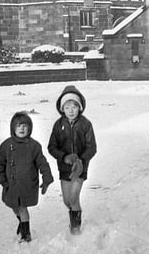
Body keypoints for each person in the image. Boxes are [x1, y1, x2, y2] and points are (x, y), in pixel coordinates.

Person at [0, 112, 54, 242]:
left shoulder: (34, 146)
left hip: (27, 184)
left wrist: (47, 178)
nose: (22, 128)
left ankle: (26, 234)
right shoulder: (6, 145)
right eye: (18, 126)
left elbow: (42, 163)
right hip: (11, 184)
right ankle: (22, 223)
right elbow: (0, 162)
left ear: (30, 128)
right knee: (13, 206)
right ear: (13, 128)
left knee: (22, 208)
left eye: (25, 125)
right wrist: (1, 179)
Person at [48, 85, 97, 235]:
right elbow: (52, 146)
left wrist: (81, 160)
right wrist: (64, 157)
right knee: (67, 201)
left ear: (80, 108)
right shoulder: (58, 125)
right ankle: (75, 213)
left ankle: (75, 227)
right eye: (67, 107)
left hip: (80, 168)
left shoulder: (86, 124)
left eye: (74, 106)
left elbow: (92, 147)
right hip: (64, 168)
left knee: (74, 198)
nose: (71, 110)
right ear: (62, 108)